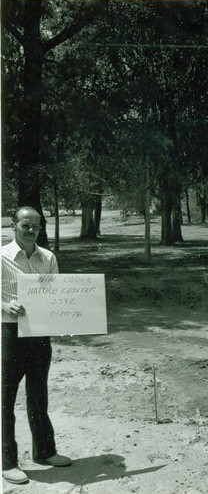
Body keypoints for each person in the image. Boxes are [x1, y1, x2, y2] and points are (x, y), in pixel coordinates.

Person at [2, 206, 72, 485]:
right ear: (13, 225)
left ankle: (44, 451)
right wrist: (5, 305)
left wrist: (69, 317)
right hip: (9, 333)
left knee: (38, 394)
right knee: (4, 399)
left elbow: (57, 297)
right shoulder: (1, 257)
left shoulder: (48, 258)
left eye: (35, 227)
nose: (31, 231)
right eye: (25, 226)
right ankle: (7, 462)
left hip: (41, 335)